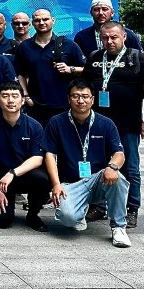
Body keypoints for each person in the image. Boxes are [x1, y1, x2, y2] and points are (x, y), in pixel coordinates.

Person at [82, 22, 144, 229]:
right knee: (97, 165)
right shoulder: (94, 58)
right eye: (105, 38)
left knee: (130, 167)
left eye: (114, 37)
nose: (109, 41)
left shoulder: (137, 58)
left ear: (124, 37)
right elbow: (84, 88)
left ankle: (131, 208)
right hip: (97, 126)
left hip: (127, 126)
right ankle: (98, 206)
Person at [43, 80, 131, 248]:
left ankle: (119, 227)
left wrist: (112, 167)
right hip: (71, 183)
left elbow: (119, 153)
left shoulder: (106, 123)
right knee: (68, 217)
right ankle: (79, 212)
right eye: (75, 96)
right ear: (68, 99)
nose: (80, 101)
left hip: (98, 179)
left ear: (92, 99)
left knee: (118, 177)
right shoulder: (56, 122)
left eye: (85, 96)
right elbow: (49, 154)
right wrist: (56, 184)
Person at [0, 82, 51, 232]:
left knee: (41, 178)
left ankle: (33, 215)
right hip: (0, 179)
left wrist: (12, 173)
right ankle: (2, 203)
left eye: (15, 96)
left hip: (23, 173)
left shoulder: (34, 126)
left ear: (23, 100)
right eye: (5, 96)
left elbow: (37, 158)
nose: (10, 100)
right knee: (1, 221)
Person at [14, 9, 85, 126]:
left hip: (63, 105)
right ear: (32, 23)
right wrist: (26, 96)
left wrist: (70, 69)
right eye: (37, 20)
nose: (41, 23)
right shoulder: (25, 47)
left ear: (53, 21)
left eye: (45, 19)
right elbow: (20, 74)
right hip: (36, 105)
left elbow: (86, 70)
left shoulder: (68, 45)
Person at [74, 0, 143, 58]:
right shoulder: (81, 37)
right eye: (96, 9)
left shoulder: (127, 34)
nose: (101, 13)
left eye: (105, 9)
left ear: (112, 13)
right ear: (91, 13)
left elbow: (140, 58)